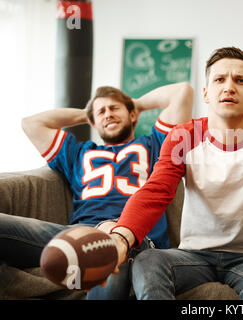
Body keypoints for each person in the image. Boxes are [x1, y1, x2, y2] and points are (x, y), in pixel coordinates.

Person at [106, 46, 243, 300]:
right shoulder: (182, 136)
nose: (229, 87)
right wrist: (121, 237)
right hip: (193, 255)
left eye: (240, 80)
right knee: (148, 262)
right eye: (219, 79)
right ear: (206, 93)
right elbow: (156, 191)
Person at [0, 82, 193, 299]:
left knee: (106, 255)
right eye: (101, 112)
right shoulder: (76, 153)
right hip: (80, 235)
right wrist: (88, 114)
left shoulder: (155, 145)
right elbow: (31, 123)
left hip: (133, 238)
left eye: (114, 108)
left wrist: (134, 104)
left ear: (133, 116)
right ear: (93, 122)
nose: (108, 114)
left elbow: (182, 92)